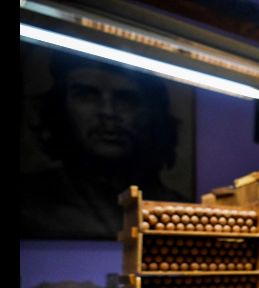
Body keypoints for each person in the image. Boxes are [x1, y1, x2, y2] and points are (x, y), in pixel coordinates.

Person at [21, 50, 183, 239]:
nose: (108, 112)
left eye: (125, 98)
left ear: (152, 115)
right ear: (60, 107)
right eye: (88, 95)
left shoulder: (176, 210)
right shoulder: (29, 202)